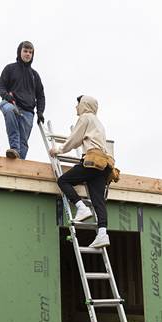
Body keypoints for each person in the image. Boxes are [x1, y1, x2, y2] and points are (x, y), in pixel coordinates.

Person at [49, 95, 116, 248]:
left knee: (63, 180)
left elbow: (74, 139)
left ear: (84, 105)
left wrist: (58, 150)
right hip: (103, 164)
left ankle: (81, 207)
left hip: (92, 160)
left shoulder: (85, 117)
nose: (76, 107)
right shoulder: (99, 123)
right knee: (98, 200)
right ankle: (102, 233)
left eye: (77, 104)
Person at [0, 40, 45, 160]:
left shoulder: (35, 75)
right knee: (8, 109)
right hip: (12, 104)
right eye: (25, 51)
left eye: (30, 52)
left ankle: (19, 161)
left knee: (23, 142)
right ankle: (14, 149)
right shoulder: (10, 69)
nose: (28, 54)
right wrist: (7, 96)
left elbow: (40, 96)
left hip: (28, 112)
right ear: (20, 52)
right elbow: (0, 87)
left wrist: (40, 112)